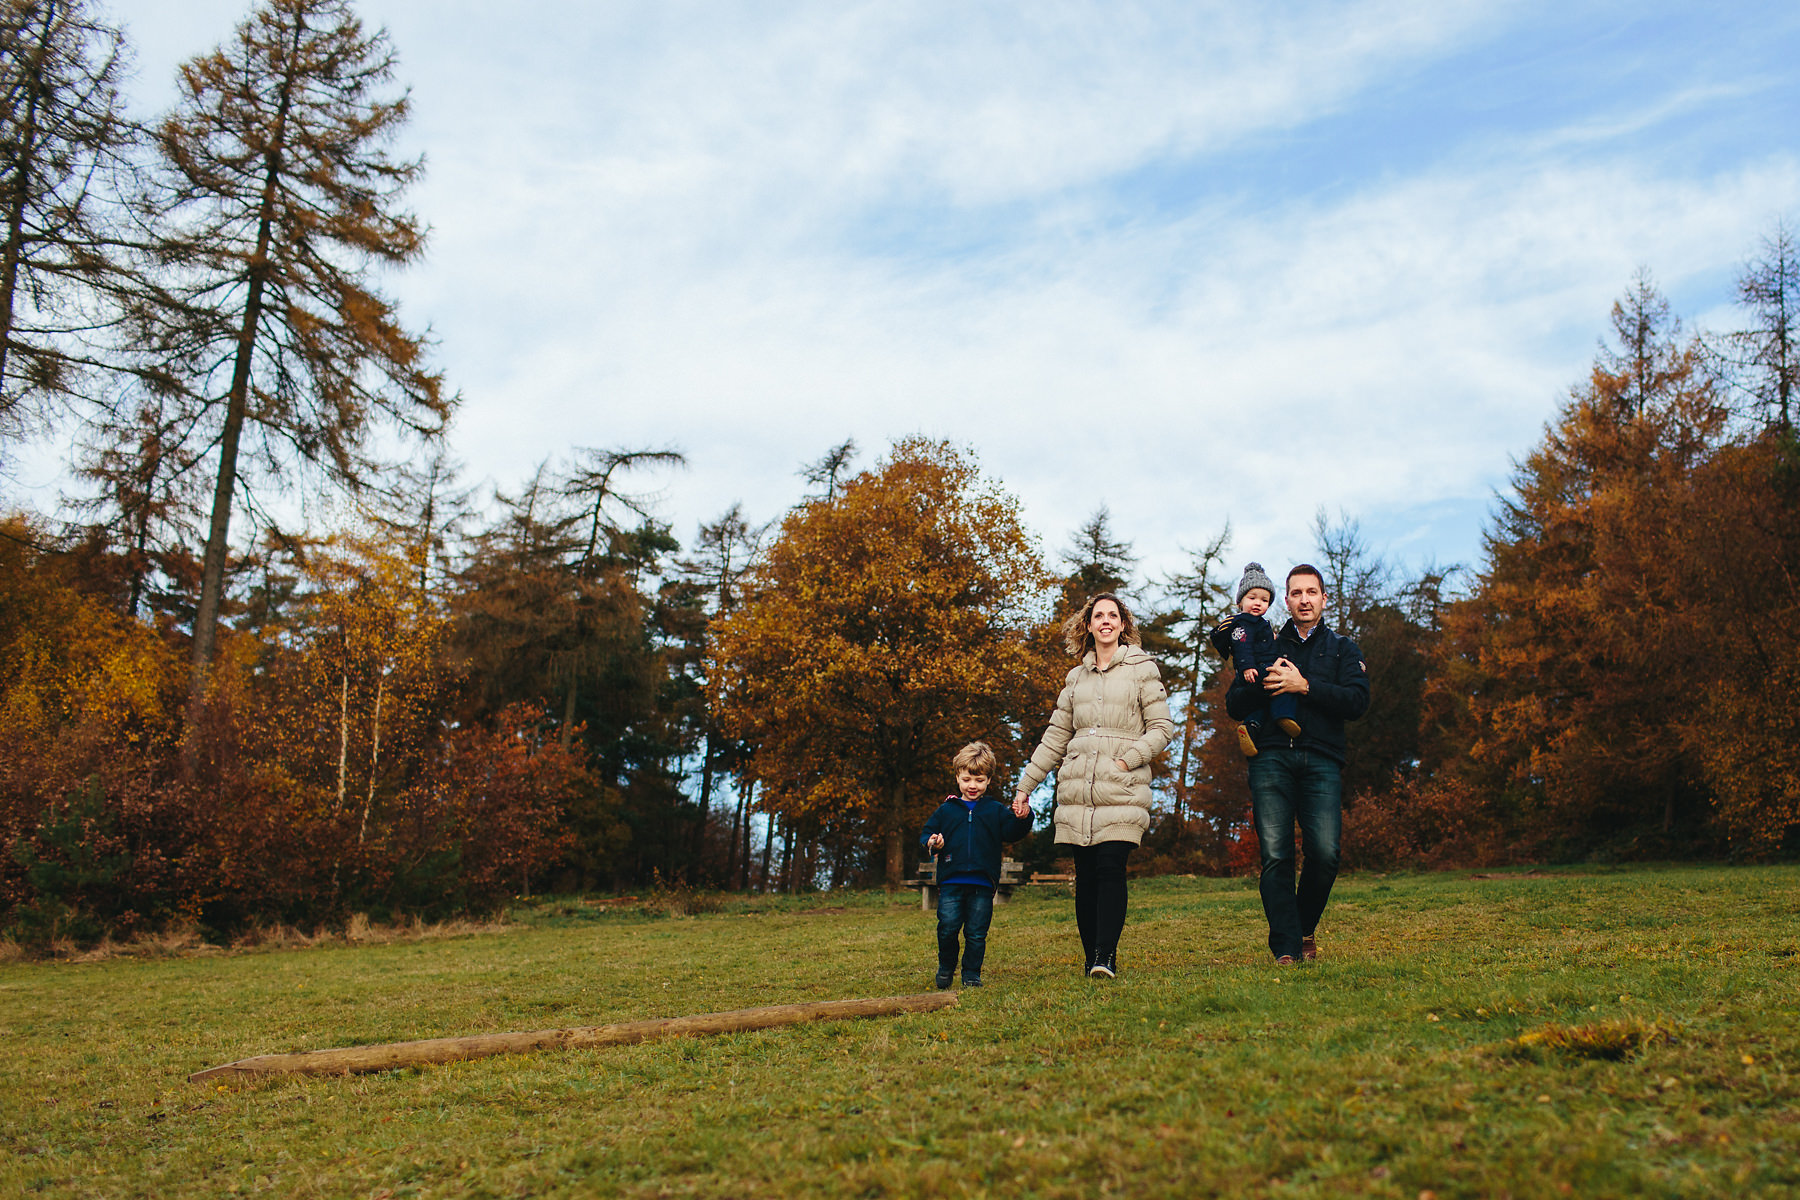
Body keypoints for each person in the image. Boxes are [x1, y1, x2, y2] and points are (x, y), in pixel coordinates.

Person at [1014, 593, 1173, 978]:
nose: (1105, 621)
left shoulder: (1141, 669)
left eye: (1112, 615)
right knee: (1085, 877)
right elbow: (1055, 738)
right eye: (1098, 615)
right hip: (1077, 791)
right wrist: (1024, 787)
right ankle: (1091, 960)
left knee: (1109, 868)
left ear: (1122, 624)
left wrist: (1128, 759)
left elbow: (1162, 728)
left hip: (1121, 787)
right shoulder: (1075, 678)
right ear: (1088, 625)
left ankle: (1106, 955)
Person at [1227, 564, 1369, 965]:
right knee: (1276, 854)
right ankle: (1286, 947)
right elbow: (1233, 704)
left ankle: (1303, 926)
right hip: (1270, 756)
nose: (1304, 599)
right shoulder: (1265, 643)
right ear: (1286, 601)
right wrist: (1259, 683)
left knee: (1324, 853)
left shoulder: (1344, 648)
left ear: (1324, 599)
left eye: (1312, 592)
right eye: (1296, 593)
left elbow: (1357, 701)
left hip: (1322, 758)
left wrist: (1304, 686)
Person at [920, 741, 1033, 989]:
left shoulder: (994, 810)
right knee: (948, 927)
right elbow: (927, 833)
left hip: (983, 883)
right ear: (958, 778)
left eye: (979, 780)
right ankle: (946, 967)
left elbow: (1012, 832)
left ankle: (971, 973)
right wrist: (932, 841)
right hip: (951, 881)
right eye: (967, 779)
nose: (973, 785)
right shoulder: (946, 810)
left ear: (988, 781)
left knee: (976, 933)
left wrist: (1024, 817)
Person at [1208, 561, 1301, 757]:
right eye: (1252, 598)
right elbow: (1242, 646)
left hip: (1260, 667)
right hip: (1254, 670)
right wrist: (1247, 667)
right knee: (1280, 687)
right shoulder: (1243, 623)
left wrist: (1272, 641)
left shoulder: (1260, 624)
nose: (1258, 603)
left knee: (1261, 702)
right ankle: (1283, 715)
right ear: (1240, 602)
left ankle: (1251, 727)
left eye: (1264, 600)